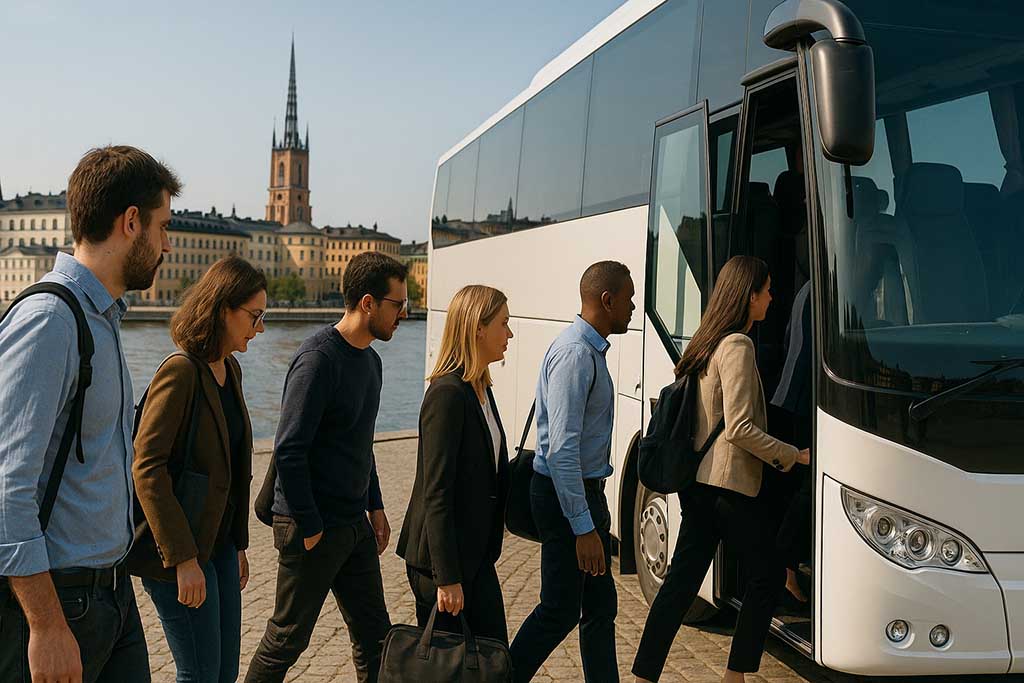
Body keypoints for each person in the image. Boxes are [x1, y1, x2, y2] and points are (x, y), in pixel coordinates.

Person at [0, 145, 179, 682]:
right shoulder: (51, 320)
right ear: (131, 223)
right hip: (62, 601)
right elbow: (7, 489)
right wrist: (46, 625)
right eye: (163, 227)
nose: (168, 244)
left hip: (111, 592)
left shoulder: (100, 317)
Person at [631, 255, 810, 683]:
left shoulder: (706, 340)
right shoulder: (738, 346)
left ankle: (642, 676)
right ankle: (736, 677)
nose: (772, 297)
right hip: (728, 488)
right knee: (767, 576)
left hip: (699, 485)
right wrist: (792, 455)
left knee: (678, 586)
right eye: (766, 290)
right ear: (749, 296)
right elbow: (741, 428)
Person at [244, 251, 408, 683]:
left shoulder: (371, 362)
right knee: (286, 640)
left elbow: (361, 442)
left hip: (352, 524)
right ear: (368, 303)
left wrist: (375, 505)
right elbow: (290, 449)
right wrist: (312, 525)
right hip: (310, 526)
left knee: (376, 636)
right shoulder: (318, 359)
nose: (404, 315)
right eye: (398, 305)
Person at [129, 256, 267, 682]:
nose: (259, 328)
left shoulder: (231, 369)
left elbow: (231, 466)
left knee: (223, 673)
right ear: (224, 309)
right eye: (255, 316)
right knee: (200, 674)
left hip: (220, 547)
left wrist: (238, 545)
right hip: (180, 551)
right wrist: (183, 559)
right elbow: (147, 467)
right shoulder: (181, 371)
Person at [509, 261, 635, 683]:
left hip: (581, 495)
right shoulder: (576, 354)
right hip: (567, 498)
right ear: (607, 300)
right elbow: (561, 450)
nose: (634, 306)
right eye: (629, 298)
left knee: (599, 608)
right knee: (559, 610)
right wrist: (583, 528)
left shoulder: (586, 350)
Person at [397, 285, 514, 643]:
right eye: (504, 324)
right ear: (478, 327)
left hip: (474, 557)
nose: (509, 334)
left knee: (491, 659)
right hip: (440, 567)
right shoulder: (447, 394)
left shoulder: (480, 388)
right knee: (452, 666)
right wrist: (446, 578)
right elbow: (437, 492)